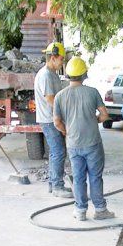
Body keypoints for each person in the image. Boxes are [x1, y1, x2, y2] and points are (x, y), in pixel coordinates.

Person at [53, 56, 115, 221]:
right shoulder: (92, 92)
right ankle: (100, 210)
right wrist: (93, 120)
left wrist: (66, 131)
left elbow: (57, 122)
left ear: (68, 75)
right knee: (95, 177)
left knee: (78, 178)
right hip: (93, 142)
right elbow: (104, 115)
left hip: (73, 144)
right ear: (84, 74)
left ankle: (80, 211)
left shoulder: (60, 96)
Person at [35, 42, 73, 198]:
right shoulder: (46, 75)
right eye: (61, 59)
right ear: (53, 57)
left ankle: (53, 183)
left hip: (51, 118)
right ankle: (57, 186)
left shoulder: (52, 74)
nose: (62, 62)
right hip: (49, 119)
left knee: (55, 152)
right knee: (59, 151)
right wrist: (62, 117)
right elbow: (51, 99)